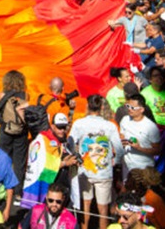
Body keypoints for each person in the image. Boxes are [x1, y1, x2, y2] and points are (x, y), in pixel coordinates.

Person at [69, 94, 124, 229]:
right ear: (101, 107)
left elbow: (69, 142)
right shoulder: (109, 126)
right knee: (103, 209)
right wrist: (114, 161)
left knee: (85, 206)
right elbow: (119, 149)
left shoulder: (79, 123)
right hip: (103, 172)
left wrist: (76, 157)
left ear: (87, 106)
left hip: (84, 170)